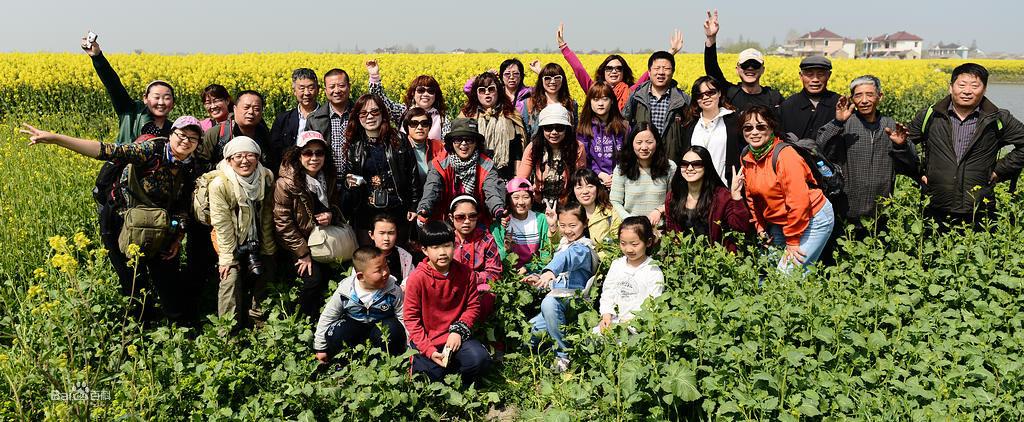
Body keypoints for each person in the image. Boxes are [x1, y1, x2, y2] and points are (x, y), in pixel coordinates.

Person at [20, 117, 203, 324]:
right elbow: (107, 150)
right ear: (171, 134)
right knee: (132, 280)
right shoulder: (149, 151)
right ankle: (141, 329)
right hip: (119, 221)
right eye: (181, 135)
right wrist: (56, 138)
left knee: (168, 279)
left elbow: (182, 208)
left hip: (159, 227)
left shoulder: (189, 167)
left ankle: (178, 330)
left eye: (193, 138)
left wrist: (177, 238)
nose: (186, 141)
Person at [908, 63, 1024, 229]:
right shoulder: (929, 116)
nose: (967, 91)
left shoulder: (998, 118)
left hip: (979, 210)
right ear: (951, 87)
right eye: (961, 85)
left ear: (984, 89)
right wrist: (920, 173)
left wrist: (1000, 169)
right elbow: (903, 148)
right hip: (935, 207)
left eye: (975, 86)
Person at [815, 75, 919, 231]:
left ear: (880, 96)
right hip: (846, 210)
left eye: (870, 94)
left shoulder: (890, 126)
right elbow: (820, 148)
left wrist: (902, 146)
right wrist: (837, 123)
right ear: (852, 99)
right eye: (858, 95)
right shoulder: (845, 124)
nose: (864, 100)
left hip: (881, 211)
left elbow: (912, 164)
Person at [739, 106, 835, 271]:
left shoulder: (786, 156)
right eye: (748, 128)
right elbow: (752, 195)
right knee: (765, 272)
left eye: (761, 127)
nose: (754, 132)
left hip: (813, 217)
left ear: (772, 128)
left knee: (786, 277)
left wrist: (792, 241)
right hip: (781, 221)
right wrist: (759, 226)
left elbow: (798, 201)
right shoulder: (748, 155)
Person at [404, 221, 491, 383]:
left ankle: (454, 375)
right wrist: (428, 350)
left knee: (480, 359)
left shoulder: (466, 274)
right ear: (424, 250)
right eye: (435, 248)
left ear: (455, 245)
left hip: (455, 338)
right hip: (427, 340)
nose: (442, 252)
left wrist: (458, 330)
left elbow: (472, 306)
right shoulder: (417, 278)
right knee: (426, 380)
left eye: (447, 246)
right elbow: (411, 319)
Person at [273, 131, 345, 321]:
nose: (314, 158)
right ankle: (301, 321)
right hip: (297, 245)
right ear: (298, 155)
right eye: (307, 153)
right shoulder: (286, 183)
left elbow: (336, 206)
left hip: (323, 240)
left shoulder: (327, 176)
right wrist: (303, 254)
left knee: (337, 275)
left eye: (319, 153)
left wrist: (331, 215)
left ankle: (326, 318)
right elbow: (283, 223)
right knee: (314, 279)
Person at [208, 136, 277, 327]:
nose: (244, 161)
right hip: (229, 237)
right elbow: (222, 225)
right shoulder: (220, 184)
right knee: (230, 277)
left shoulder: (266, 177)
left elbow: (266, 215)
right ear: (229, 160)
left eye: (250, 155)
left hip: (257, 235)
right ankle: (228, 330)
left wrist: (268, 248)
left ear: (258, 158)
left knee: (267, 269)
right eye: (238, 156)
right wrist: (228, 259)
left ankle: (258, 317)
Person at [525, 202, 598, 373]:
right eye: (563, 225)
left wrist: (550, 271)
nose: (567, 230)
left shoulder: (583, 248)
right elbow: (556, 281)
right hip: (559, 299)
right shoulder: (563, 245)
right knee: (528, 337)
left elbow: (567, 259)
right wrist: (539, 279)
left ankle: (563, 354)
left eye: (573, 225)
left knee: (548, 303)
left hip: (576, 302)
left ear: (585, 223)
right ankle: (560, 338)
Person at [341, 94, 420, 247]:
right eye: (363, 113)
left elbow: (412, 174)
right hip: (367, 214)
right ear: (357, 117)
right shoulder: (354, 146)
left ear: (383, 114)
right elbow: (349, 181)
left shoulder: (399, 139)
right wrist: (349, 184)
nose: (369, 117)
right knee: (370, 260)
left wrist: (413, 206)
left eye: (375, 112)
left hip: (397, 210)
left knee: (398, 257)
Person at [314, 246, 405, 362]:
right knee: (336, 332)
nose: (385, 272)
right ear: (361, 276)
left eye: (386, 266)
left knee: (394, 329)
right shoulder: (345, 291)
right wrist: (320, 348)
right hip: (354, 326)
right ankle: (346, 362)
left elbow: (403, 317)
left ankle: (385, 360)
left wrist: (410, 346)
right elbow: (328, 317)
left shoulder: (393, 290)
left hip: (381, 328)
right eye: (378, 270)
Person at [556, 23, 678, 110]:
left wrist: (669, 54)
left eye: (618, 68)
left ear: (624, 72)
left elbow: (650, 73)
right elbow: (579, 70)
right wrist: (564, 47)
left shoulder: (631, 92)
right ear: (603, 72)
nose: (614, 71)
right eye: (609, 68)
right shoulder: (595, 91)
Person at [81, 37, 173, 143]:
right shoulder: (130, 111)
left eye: (166, 98)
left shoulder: (176, 130)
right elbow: (113, 85)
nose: (161, 102)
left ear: (173, 103)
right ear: (145, 98)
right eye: (156, 97)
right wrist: (97, 57)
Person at [416, 118, 507, 225]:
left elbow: (492, 191)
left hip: (477, 220)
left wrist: (498, 210)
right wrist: (424, 208)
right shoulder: (440, 163)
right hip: (446, 219)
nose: (464, 144)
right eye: (458, 140)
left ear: (476, 143)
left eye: (469, 140)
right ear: (451, 143)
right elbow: (432, 188)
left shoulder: (486, 164)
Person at [662, 146, 751, 252]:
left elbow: (741, 227)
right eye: (685, 164)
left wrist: (736, 197)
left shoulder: (721, 196)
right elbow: (671, 231)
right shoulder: (673, 196)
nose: (690, 168)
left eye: (696, 164)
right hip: (684, 259)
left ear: (706, 166)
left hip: (716, 260)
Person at [701, 10, 783, 111]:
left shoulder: (773, 98)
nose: (750, 68)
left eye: (755, 64)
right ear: (737, 69)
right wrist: (711, 38)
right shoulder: (729, 93)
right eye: (745, 65)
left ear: (763, 70)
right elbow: (712, 70)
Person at [595, 216, 664, 333]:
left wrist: (634, 322)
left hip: (638, 327)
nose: (628, 249)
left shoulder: (653, 270)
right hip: (614, 321)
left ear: (648, 242)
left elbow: (654, 304)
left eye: (634, 244)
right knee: (593, 338)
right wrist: (606, 315)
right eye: (623, 243)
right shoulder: (617, 265)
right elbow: (608, 292)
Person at [622, 51, 691, 162]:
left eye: (666, 69)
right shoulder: (636, 97)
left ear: (673, 71)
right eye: (657, 68)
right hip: (641, 164)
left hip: (672, 163)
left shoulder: (683, 100)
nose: (661, 72)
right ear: (649, 72)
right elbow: (624, 126)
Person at [516, 104, 587, 209]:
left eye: (559, 128)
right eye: (548, 128)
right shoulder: (533, 147)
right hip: (538, 202)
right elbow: (521, 179)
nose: (554, 132)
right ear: (542, 129)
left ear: (567, 129)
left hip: (567, 203)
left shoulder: (577, 147)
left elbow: (579, 178)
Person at [460, 72, 528, 180]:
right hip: (474, 175)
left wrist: (516, 178)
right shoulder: (467, 116)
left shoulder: (511, 114)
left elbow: (517, 150)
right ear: (476, 93)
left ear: (498, 91)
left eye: (491, 89)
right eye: (482, 90)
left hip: (505, 175)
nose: (487, 93)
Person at [678, 76, 743, 185]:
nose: (705, 97)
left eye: (711, 93)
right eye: (700, 95)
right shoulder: (690, 125)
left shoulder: (733, 121)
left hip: (724, 188)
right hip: (696, 189)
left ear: (719, 93)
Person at [610, 124, 677, 224]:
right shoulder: (622, 168)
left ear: (657, 142)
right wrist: (630, 220)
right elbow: (615, 201)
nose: (644, 147)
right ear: (632, 144)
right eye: (639, 142)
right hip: (631, 228)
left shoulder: (670, 167)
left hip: (660, 228)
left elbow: (675, 199)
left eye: (649, 142)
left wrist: (660, 210)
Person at [365, 60, 451, 138]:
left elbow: (448, 147)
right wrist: (374, 77)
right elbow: (381, 102)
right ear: (413, 93)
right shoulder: (403, 112)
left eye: (431, 91)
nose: (425, 94)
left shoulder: (442, 118)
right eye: (421, 90)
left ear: (436, 95)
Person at [449, 196, 501, 322]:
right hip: (449, 286)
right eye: (460, 217)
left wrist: (469, 279)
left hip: (478, 288)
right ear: (451, 217)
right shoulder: (444, 239)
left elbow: (494, 273)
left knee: (488, 294)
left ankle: (479, 331)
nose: (467, 221)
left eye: (472, 216)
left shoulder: (486, 239)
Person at [195, 90, 275, 172]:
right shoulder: (217, 133)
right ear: (235, 109)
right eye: (246, 108)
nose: (251, 112)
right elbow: (201, 164)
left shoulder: (266, 135)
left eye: (256, 109)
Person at [306, 68, 354, 191]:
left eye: (341, 86)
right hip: (326, 183)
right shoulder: (314, 119)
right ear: (325, 90)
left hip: (356, 181)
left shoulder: (360, 115)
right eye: (332, 87)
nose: (337, 90)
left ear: (349, 87)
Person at [491, 178, 551, 274]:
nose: (521, 202)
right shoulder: (500, 225)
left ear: (532, 199)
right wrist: (506, 249)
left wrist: (529, 268)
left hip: (535, 271)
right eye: (516, 197)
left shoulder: (541, 219)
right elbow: (494, 259)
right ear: (508, 200)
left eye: (526, 197)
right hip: (508, 274)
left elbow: (546, 253)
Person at [577, 83, 630, 188]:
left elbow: (629, 155)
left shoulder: (624, 127)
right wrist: (601, 175)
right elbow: (584, 159)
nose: (600, 104)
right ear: (590, 102)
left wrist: (617, 175)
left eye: (605, 99)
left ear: (612, 101)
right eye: (596, 99)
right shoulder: (584, 129)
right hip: (594, 182)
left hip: (621, 181)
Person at [778, 56, 840, 139]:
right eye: (809, 74)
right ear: (801, 76)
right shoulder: (787, 107)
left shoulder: (839, 104)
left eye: (820, 74)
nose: (815, 79)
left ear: (829, 75)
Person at [271, 68, 320, 160]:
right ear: (294, 91)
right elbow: (274, 150)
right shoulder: (282, 119)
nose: (306, 93)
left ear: (318, 89)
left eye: (311, 88)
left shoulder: (327, 116)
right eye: (301, 88)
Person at [522, 63, 579, 140]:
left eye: (557, 78)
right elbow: (526, 133)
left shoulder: (571, 104)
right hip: (538, 149)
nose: (553, 82)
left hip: (565, 149)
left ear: (563, 80)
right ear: (541, 81)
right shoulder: (531, 103)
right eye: (547, 78)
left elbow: (574, 132)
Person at [569, 168, 622, 247]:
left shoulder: (611, 213)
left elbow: (617, 244)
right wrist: (553, 229)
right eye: (579, 188)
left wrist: (593, 257)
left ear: (597, 188)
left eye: (590, 186)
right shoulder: (568, 214)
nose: (585, 191)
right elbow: (557, 246)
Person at [403, 107, 448, 184]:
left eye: (424, 123)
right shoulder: (400, 148)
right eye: (414, 123)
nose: (420, 127)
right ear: (407, 127)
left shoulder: (439, 147)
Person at [368, 214, 414, 286]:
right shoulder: (364, 256)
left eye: (391, 233)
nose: (386, 238)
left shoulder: (405, 257)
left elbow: (411, 280)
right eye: (382, 233)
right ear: (371, 235)